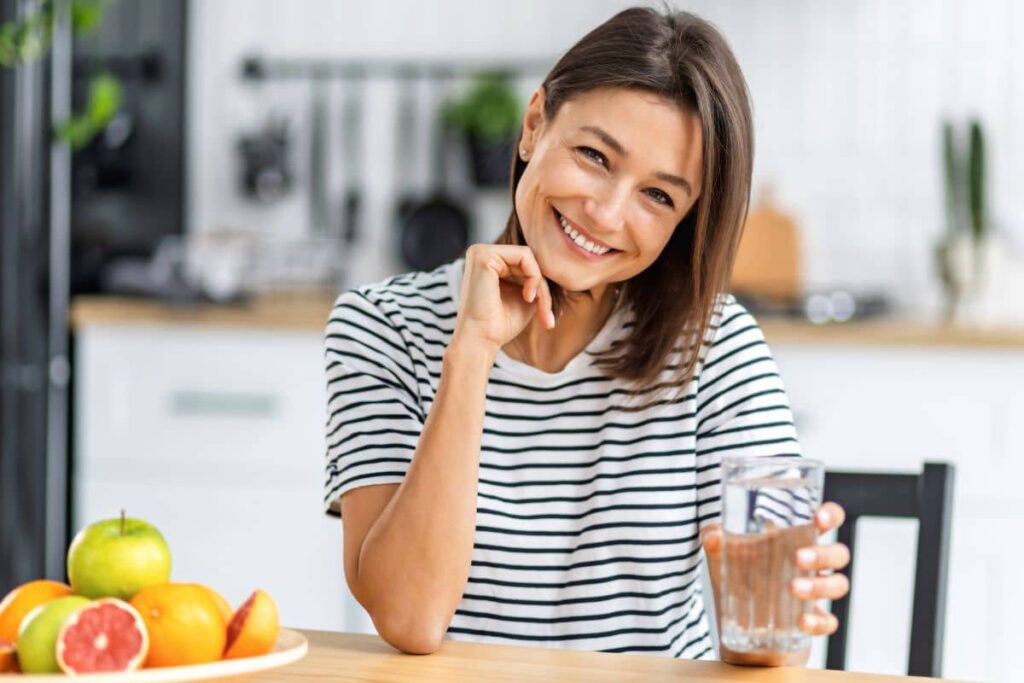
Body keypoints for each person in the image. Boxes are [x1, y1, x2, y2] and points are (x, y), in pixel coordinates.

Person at [322, 6, 850, 666]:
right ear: (535, 123)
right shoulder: (382, 329)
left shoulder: (716, 347)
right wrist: (471, 352)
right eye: (594, 156)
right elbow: (410, 615)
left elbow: (768, 641)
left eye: (658, 196)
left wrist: (779, 605)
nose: (605, 213)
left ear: (683, 222)